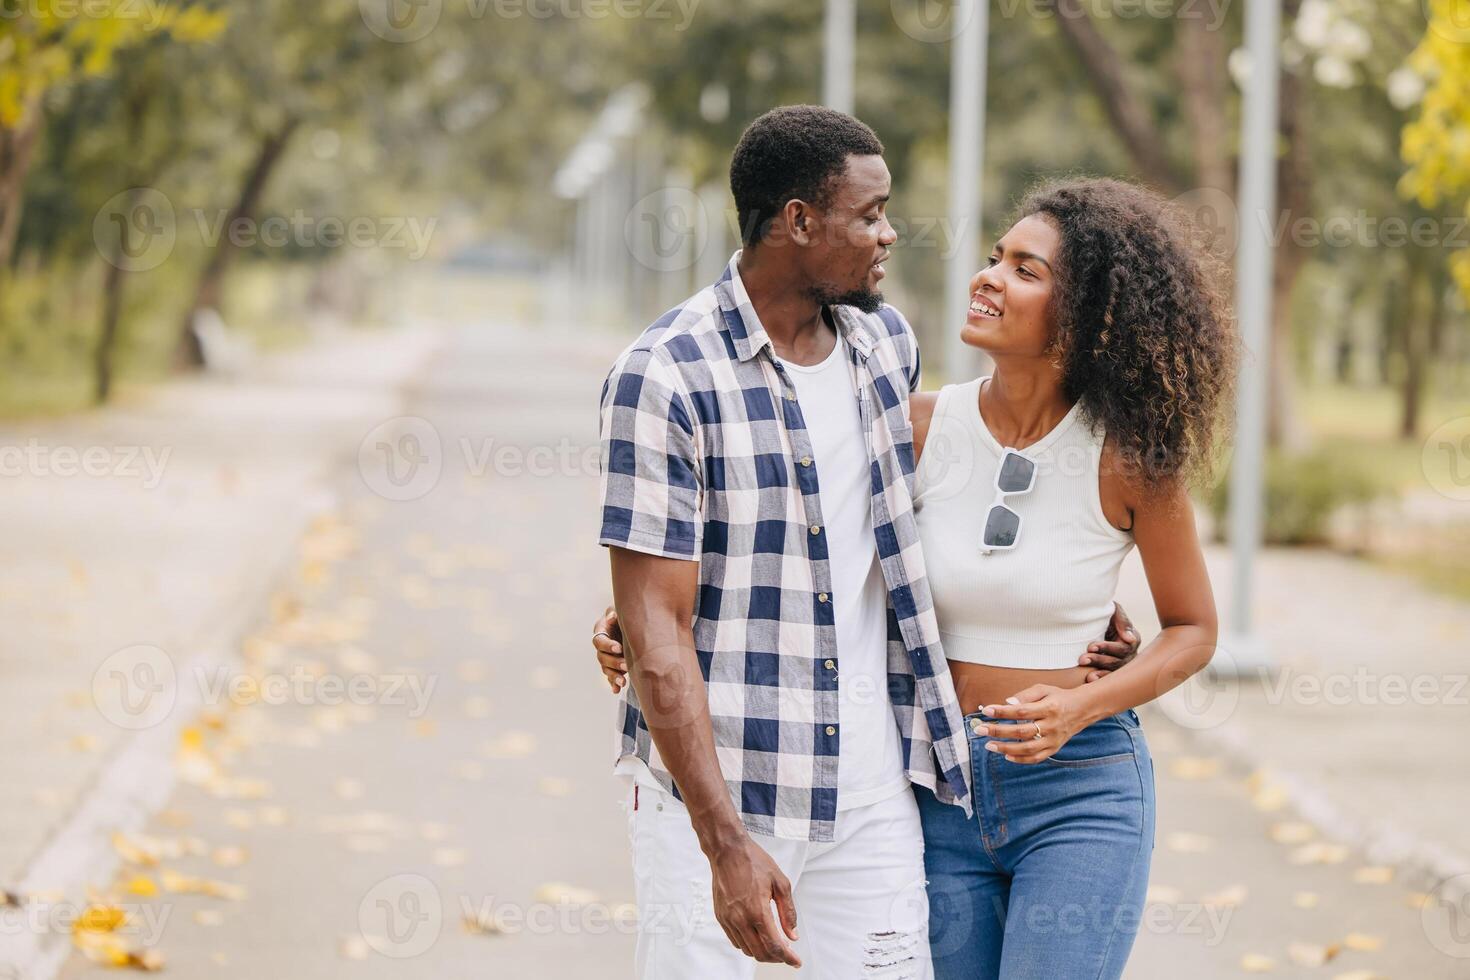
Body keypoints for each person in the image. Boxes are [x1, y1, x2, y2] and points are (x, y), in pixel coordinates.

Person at [593, 105, 1142, 980]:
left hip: (875, 794)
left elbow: (912, 515)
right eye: (870, 214)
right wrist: (725, 846)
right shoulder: (663, 373)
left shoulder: (884, 347)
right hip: (729, 793)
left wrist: (1077, 607)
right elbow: (660, 625)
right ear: (799, 222)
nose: (890, 235)